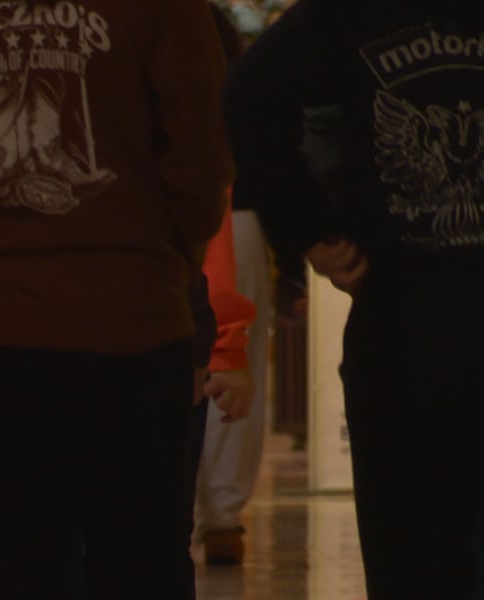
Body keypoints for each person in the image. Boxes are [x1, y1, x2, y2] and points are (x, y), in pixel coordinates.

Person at [0, 0, 233, 597]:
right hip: (136, 324)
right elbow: (202, 154)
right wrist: (157, 256)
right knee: (142, 560)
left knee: (15, 567)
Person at [224, 0, 484, 596]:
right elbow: (248, 97)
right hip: (404, 332)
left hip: (405, 327)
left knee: (417, 559)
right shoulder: (349, 12)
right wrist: (307, 230)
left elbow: (248, 95)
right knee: (416, 555)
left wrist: (309, 229)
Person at [193, 3, 265, 564]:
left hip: (159, 223)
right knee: (236, 372)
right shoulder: (217, 44)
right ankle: (222, 516)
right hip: (233, 210)